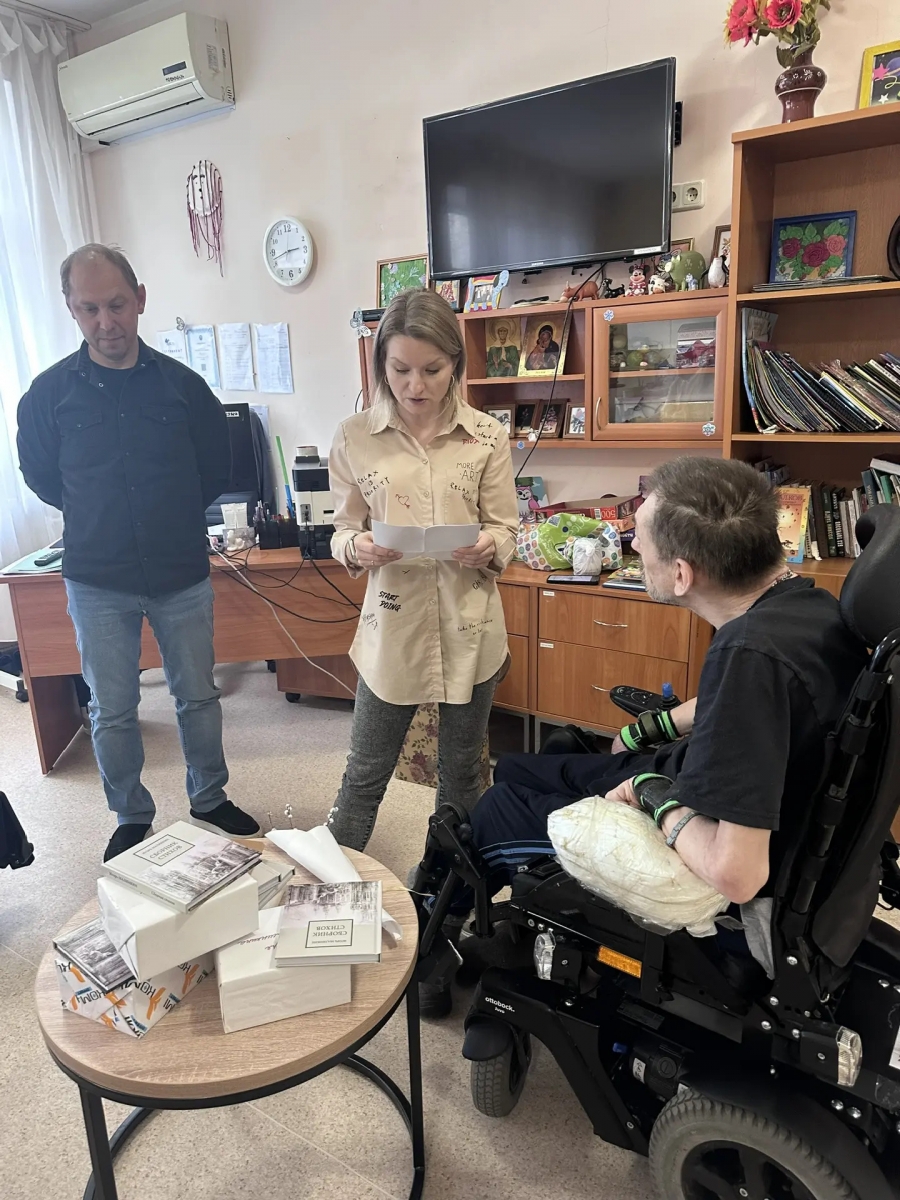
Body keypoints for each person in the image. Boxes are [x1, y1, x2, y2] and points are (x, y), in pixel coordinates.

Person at [423, 456, 868, 1013]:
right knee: (521, 764)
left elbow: (738, 873)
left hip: (708, 847)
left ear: (682, 574)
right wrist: (653, 727)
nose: (632, 546)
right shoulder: (805, 605)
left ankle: (436, 943)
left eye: (641, 540)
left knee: (495, 810)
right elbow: (745, 706)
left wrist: (652, 795)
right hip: (707, 781)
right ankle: (515, 917)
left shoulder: (747, 658)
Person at [17, 244, 260, 862]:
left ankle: (209, 797)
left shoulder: (185, 388)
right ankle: (130, 814)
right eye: (90, 309)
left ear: (141, 300)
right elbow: (42, 477)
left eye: (117, 304)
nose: (106, 322)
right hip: (97, 578)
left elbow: (215, 469)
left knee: (198, 695)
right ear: (71, 310)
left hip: (180, 571)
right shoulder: (46, 396)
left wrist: (168, 517)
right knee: (113, 707)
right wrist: (101, 515)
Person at [326, 288, 519, 854]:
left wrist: (489, 545)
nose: (415, 386)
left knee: (463, 775)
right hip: (393, 627)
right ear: (381, 364)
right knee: (365, 772)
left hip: (469, 624)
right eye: (400, 369)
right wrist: (356, 547)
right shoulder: (354, 436)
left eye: (432, 370)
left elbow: (506, 527)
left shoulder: (487, 436)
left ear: (455, 363)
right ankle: (331, 880)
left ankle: (446, 888)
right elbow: (341, 530)